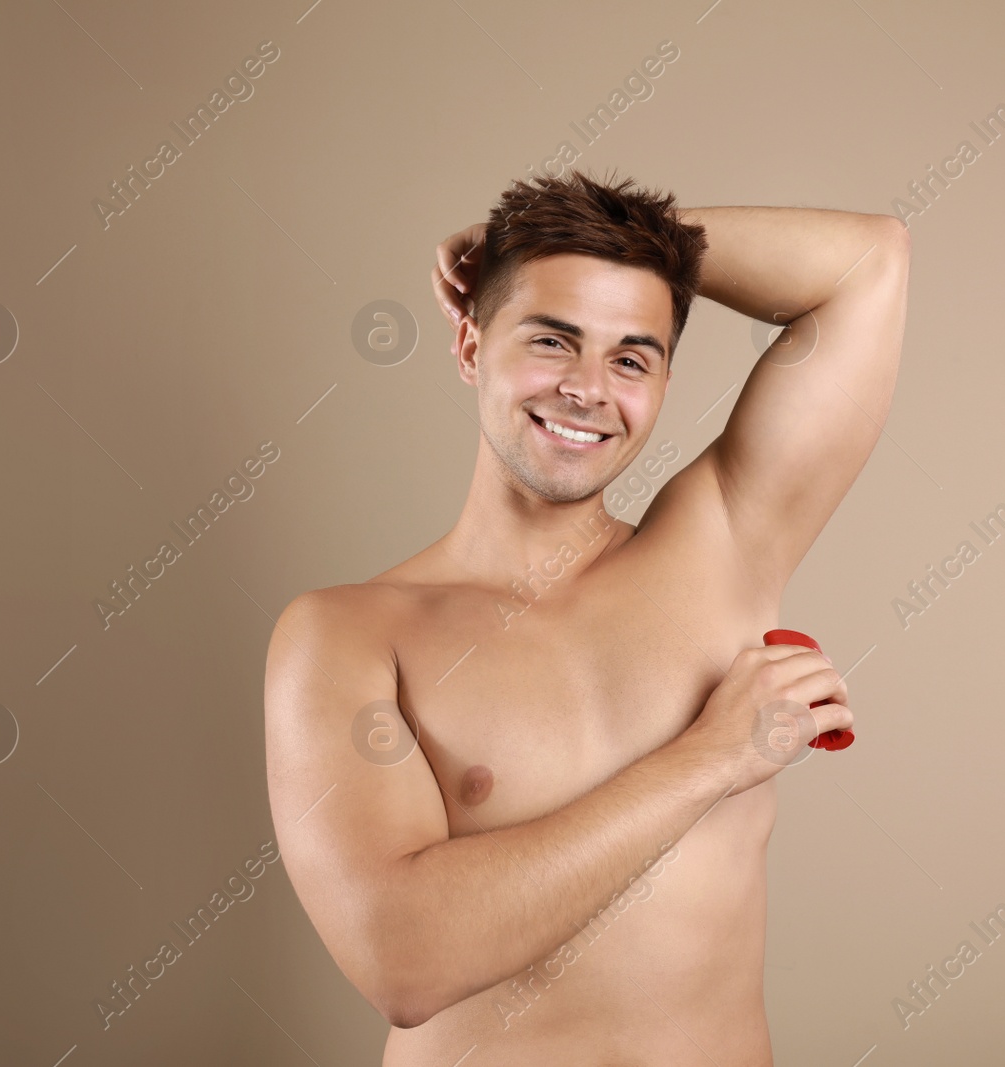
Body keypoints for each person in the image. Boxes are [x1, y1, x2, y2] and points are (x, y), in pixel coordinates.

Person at [264, 170, 910, 1065]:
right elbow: (403, 960)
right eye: (552, 339)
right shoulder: (348, 635)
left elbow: (868, 262)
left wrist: (624, 240)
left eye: (631, 357)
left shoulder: (725, 540)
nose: (588, 389)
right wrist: (711, 757)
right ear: (469, 342)